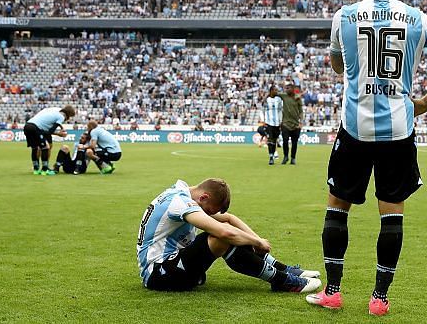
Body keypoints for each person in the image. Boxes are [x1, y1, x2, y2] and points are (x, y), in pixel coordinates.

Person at [306, 0, 427, 315]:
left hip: (354, 129)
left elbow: (337, 64)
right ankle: (379, 299)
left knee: (338, 207)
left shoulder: (344, 15)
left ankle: (333, 291)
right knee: (391, 214)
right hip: (398, 129)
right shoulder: (416, 17)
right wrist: (424, 101)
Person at [137, 178, 322, 293]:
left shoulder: (181, 195)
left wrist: (257, 240)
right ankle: (282, 281)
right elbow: (225, 232)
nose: (209, 214)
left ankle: (283, 270)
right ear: (204, 198)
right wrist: (257, 241)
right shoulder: (179, 203)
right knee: (221, 237)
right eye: (208, 211)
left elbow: (229, 219)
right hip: (158, 273)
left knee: (226, 232)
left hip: (172, 265)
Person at [23, 105, 75, 175]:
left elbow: (49, 117)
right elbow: (50, 131)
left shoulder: (57, 109)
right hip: (37, 127)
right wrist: (58, 134)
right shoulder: (61, 117)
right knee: (46, 147)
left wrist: (61, 127)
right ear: (68, 114)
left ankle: (36, 169)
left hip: (27, 125)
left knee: (35, 148)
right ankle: (45, 170)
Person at [279, 82, 303, 165]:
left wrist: (301, 122)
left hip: (296, 124)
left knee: (294, 143)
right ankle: (285, 157)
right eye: (285, 88)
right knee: (285, 141)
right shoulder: (283, 96)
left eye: (288, 88)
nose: (286, 90)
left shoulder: (297, 98)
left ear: (292, 89)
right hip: (285, 123)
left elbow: (301, 111)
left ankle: (293, 158)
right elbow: (273, 94)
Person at [262, 85, 283, 165]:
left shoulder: (279, 100)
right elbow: (262, 110)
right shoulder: (267, 100)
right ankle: (271, 157)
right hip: (269, 122)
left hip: (277, 123)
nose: (276, 91)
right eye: (275, 90)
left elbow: (281, 110)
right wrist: (264, 121)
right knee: (270, 140)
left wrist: (281, 121)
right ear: (271, 91)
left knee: (274, 141)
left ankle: (273, 154)